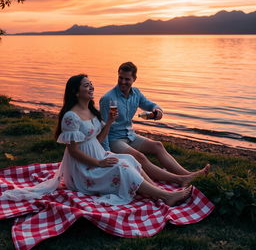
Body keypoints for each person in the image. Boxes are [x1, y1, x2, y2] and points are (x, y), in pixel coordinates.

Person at [0, 74, 192, 207]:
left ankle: (156, 191)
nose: (91, 87)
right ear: (76, 92)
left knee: (130, 160)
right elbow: (74, 151)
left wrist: (108, 122)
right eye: (86, 85)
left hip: (98, 155)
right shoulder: (70, 116)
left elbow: (98, 139)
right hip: (83, 168)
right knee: (122, 168)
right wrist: (99, 162)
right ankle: (167, 197)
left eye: (91, 84)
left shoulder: (91, 111)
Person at [100, 62, 210, 186]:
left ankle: (187, 175)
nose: (123, 82)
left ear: (134, 79)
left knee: (158, 145)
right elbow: (103, 127)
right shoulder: (107, 98)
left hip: (130, 135)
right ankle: (180, 180)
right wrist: (106, 154)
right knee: (140, 157)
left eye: (127, 79)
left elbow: (151, 105)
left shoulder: (136, 93)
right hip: (115, 139)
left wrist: (158, 112)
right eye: (121, 78)